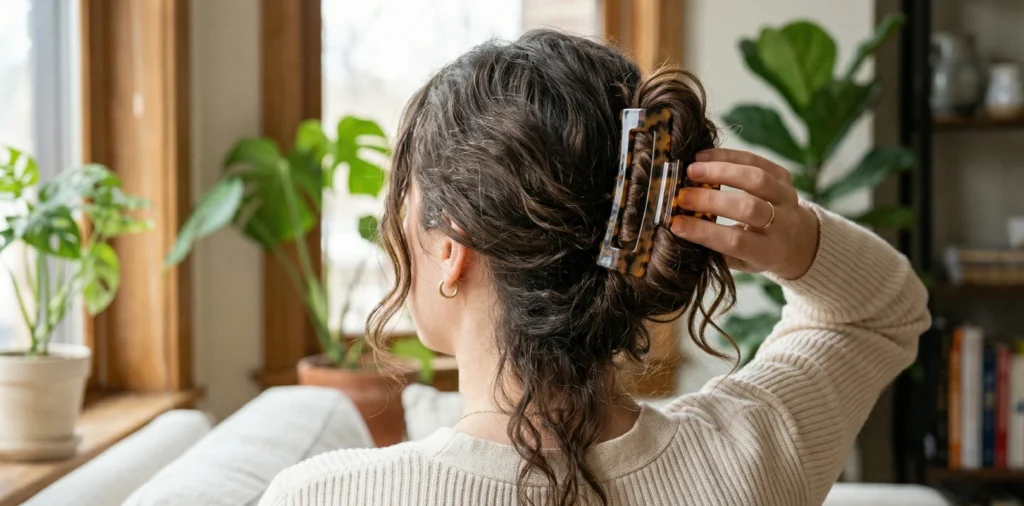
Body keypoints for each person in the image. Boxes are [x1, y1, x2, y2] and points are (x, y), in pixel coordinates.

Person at [260, 30, 930, 506]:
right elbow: (882, 312)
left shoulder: (321, 497)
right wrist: (799, 239)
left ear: (451, 246)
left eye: (406, 206)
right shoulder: (747, 460)